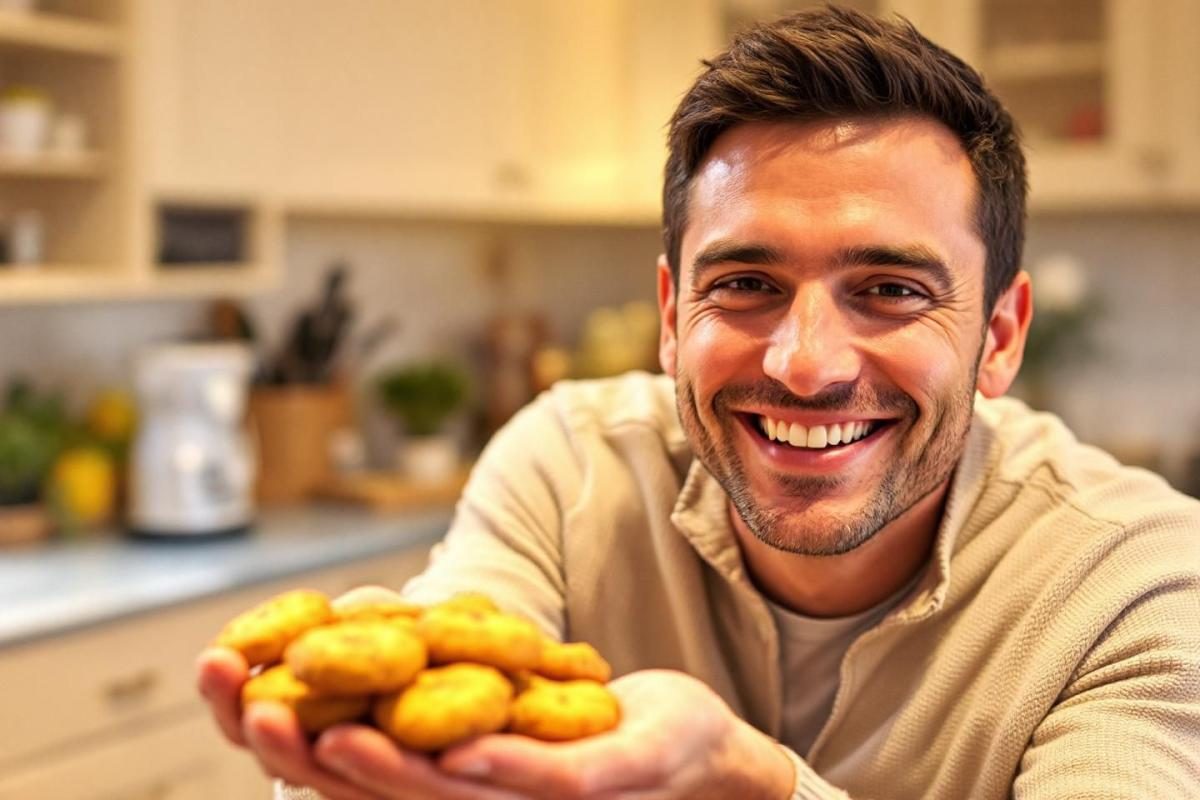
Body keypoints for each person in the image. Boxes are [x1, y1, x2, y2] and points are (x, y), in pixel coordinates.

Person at [197, 6, 1200, 799]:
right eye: (747, 284)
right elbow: (460, 670)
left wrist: (757, 786)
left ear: (1002, 335)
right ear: (673, 315)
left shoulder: (1137, 584)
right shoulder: (569, 468)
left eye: (891, 290)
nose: (807, 366)